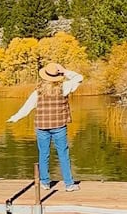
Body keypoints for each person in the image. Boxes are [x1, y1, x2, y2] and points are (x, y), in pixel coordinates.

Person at [6, 62, 83, 191]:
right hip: (59, 126)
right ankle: (69, 184)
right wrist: (65, 71)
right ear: (58, 76)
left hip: (42, 127)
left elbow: (27, 107)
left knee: (43, 154)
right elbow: (79, 78)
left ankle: (45, 182)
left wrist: (15, 118)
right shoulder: (64, 87)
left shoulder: (38, 92)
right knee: (63, 154)